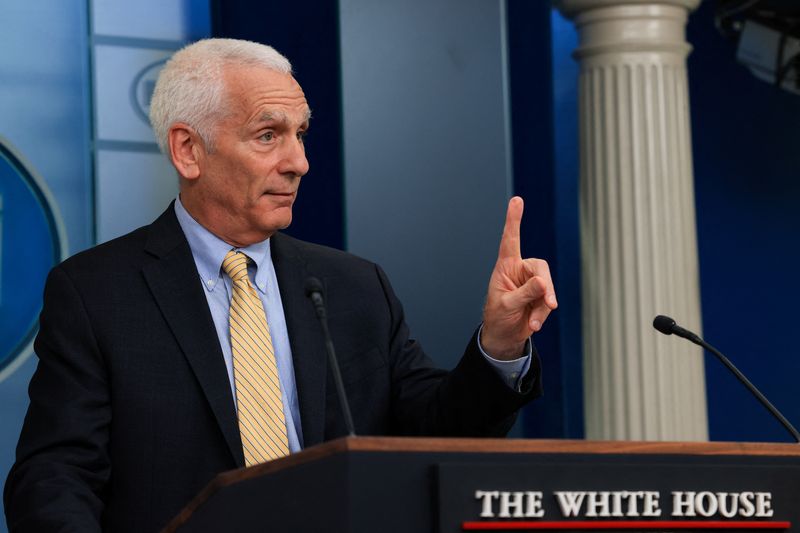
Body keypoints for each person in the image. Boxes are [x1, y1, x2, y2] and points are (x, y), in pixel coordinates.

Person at [3, 38, 557, 533]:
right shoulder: (98, 292)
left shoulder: (353, 287)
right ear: (188, 150)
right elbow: (54, 478)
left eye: (300, 135)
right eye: (268, 135)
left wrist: (500, 345)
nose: (299, 162)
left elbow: (438, 431)